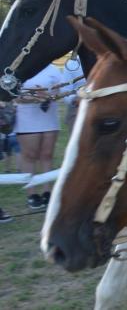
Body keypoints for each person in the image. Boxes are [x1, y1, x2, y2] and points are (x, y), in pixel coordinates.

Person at [16, 64, 64, 209]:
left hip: (49, 118)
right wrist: (34, 96)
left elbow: (62, 91)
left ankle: (47, 192)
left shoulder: (53, 69)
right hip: (27, 118)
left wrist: (50, 95)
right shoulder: (20, 69)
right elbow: (14, 95)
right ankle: (32, 194)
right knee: (30, 155)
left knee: (47, 155)